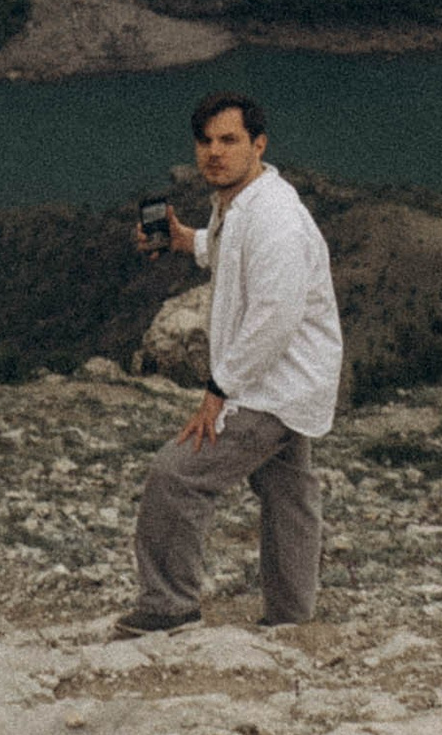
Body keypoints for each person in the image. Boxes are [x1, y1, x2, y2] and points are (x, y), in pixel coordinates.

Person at [118, 91, 342, 635]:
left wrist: (220, 390)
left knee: (176, 475)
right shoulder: (241, 203)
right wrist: (183, 240)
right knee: (288, 494)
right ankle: (291, 618)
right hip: (294, 382)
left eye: (229, 140)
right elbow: (234, 254)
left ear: (258, 145)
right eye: (205, 141)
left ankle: (169, 608)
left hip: (271, 386)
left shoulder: (277, 218)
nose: (214, 152)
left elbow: (275, 315)